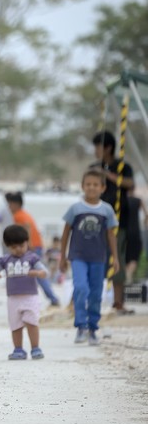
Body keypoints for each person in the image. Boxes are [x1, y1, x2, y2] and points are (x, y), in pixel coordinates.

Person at [59, 169, 119, 346]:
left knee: (95, 294)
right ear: (82, 186)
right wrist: (62, 257)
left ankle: (93, 328)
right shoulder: (75, 209)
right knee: (81, 288)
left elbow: (111, 235)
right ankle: (81, 325)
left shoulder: (106, 210)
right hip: (78, 257)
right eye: (88, 184)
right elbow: (65, 234)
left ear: (102, 187)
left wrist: (115, 257)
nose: (91, 188)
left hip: (98, 258)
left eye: (95, 185)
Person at [0, 224, 47, 360]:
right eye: (14, 247)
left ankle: (35, 348)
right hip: (13, 298)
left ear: (27, 242)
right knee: (15, 325)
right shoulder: (5, 260)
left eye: (21, 245)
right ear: (8, 246)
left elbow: (44, 272)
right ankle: (18, 349)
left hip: (30, 296)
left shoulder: (32, 258)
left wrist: (37, 272)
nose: (18, 249)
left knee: (32, 322)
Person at [91, 130, 134, 313]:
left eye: (98, 147)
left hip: (118, 221)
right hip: (96, 220)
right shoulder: (94, 166)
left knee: (118, 259)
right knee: (93, 258)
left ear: (108, 148)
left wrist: (108, 175)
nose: (96, 151)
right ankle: (90, 299)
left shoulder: (123, 166)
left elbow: (129, 184)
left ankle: (118, 302)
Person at [5, 192, 60, 307]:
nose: (9, 207)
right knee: (36, 273)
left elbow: (27, 227)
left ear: (16, 204)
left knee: (37, 273)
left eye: (10, 204)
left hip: (32, 247)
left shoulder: (18, 215)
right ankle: (51, 298)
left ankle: (53, 299)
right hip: (36, 245)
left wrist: (28, 245)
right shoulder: (24, 213)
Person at [125, 186, 147, 285]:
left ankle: (126, 275)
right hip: (135, 231)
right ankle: (128, 275)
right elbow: (146, 214)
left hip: (123, 232)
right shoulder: (138, 200)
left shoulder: (122, 201)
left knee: (124, 255)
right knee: (134, 255)